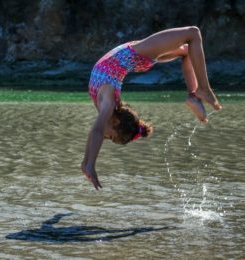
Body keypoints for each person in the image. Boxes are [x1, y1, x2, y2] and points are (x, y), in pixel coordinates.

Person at [81, 26, 222, 190]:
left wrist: (86, 163)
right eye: (111, 137)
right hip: (138, 54)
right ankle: (198, 92)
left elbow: (95, 132)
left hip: (136, 56)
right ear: (116, 122)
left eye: (109, 138)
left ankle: (196, 94)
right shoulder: (109, 104)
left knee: (189, 44)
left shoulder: (106, 106)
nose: (105, 138)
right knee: (193, 34)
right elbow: (96, 132)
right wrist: (90, 163)